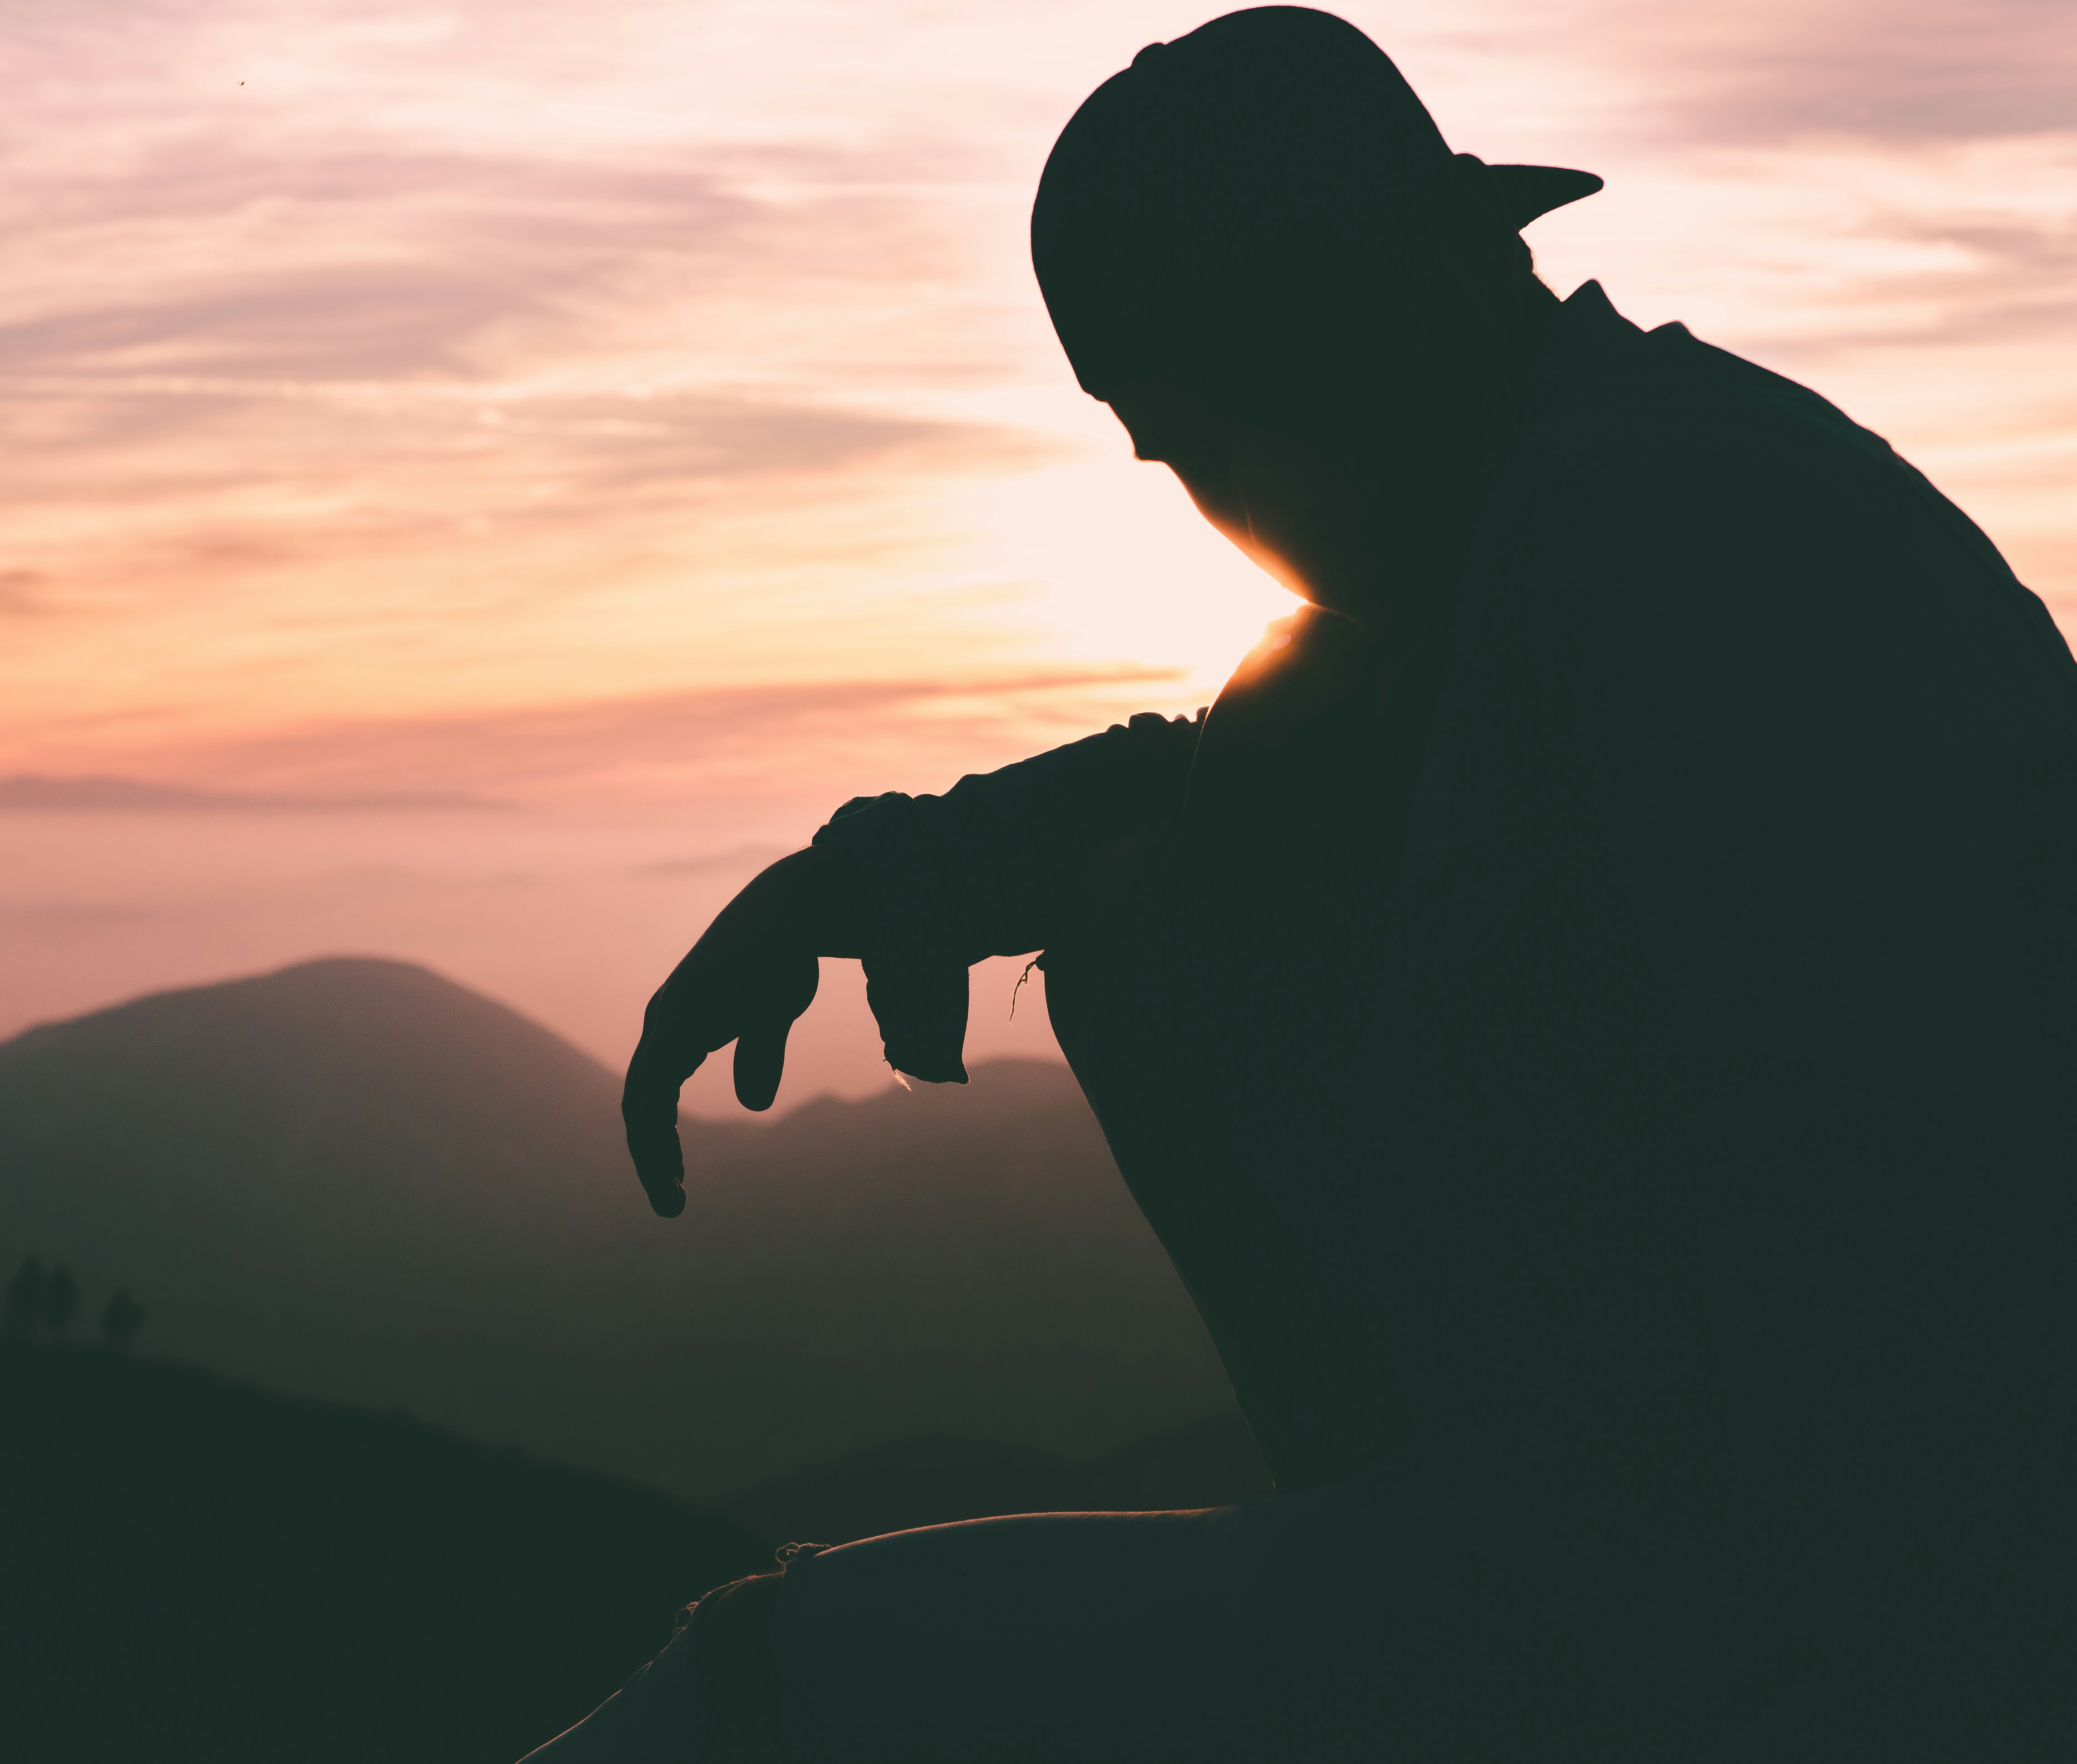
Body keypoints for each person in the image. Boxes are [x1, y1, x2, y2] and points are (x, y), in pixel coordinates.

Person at [528, 10, 2077, 1759]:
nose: (1209, 499)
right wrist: (881, 868)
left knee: (780, 1697)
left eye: (1204, 434)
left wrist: (1124, 938)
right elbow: (1245, 747)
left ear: (1373, 321)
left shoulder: (1648, 558)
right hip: (1767, 1558)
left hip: (1784, 1614)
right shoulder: (1605, 497)